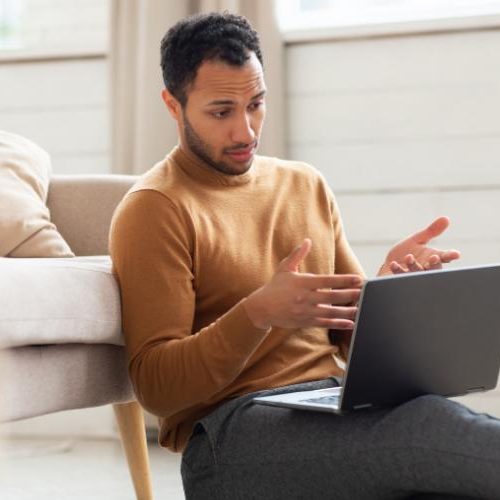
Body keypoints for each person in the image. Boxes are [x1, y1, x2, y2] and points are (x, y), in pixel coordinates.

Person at [109, 12, 500, 500]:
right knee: (430, 433)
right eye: (221, 111)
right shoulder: (155, 208)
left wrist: (386, 296)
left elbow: (346, 340)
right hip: (231, 438)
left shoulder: (304, 184)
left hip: (329, 405)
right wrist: (258, 313)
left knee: (441, 454)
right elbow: (156, 387)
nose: (245, 130)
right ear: (173, 104)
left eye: (256, 104)